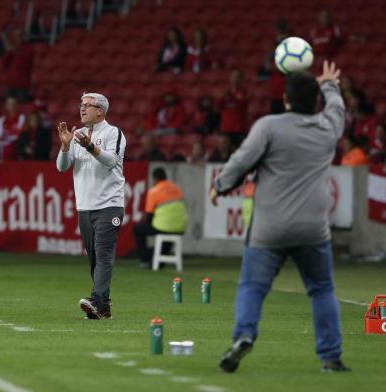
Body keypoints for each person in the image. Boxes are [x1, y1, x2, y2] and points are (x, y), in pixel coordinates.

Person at [209, 61, 350, 373]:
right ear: (315, 102)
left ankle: (243, 336)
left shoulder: (269, 126)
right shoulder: (328, 127)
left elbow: (241, 161)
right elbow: (338, 108)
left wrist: (219, 186)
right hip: (313, 228)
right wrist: (329, 84)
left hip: (269, 228)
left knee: (252, 287)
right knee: (322, 290)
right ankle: (331, 358)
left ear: (285, 99)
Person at [56, 93, 126, 320]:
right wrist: (66, 147)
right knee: (94, 259)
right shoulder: (77, 135)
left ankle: (96, 299)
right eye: (81, 105)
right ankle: (103, 307)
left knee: (104, 256)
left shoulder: (113, 132)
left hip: (109, 204)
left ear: (101, 111)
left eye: (88, 105)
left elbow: (111, 161)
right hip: (85, 206)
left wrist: (90, 148)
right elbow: (62, 168)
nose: (83, 109)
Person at [133, 167, 187, 269]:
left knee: (138, 229)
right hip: (180, 228)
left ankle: (145, 260)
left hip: (163, 227)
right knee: (167, 228)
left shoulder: (154, 191)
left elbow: (149, 216)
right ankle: (159, 260)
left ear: (156, 178)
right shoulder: (177, 189)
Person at [1, 29, 34, 102]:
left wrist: (14, 51)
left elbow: (25, 64)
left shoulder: (28, 49)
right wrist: (8, 52)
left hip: (22, 83)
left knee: (21, 104)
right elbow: (4, 64)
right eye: (16, 36)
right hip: (10, 82)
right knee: (9, 104)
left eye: (20, 36)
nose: (18, 38)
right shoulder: (12, 48)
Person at [219, 70, 249, 147]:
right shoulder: (225, 91)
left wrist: (231, 95)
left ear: (241, 79)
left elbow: (242, 104)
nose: (234, 79)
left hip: (238, 127)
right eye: (233, 76)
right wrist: (222, 96)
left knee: (238, 149)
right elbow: (218, 106)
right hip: (226, 127)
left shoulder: (244, 92)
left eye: (237, 77)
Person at [0, 96, 26, 161]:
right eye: (9, 104)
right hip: (4, 143)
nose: (11, 106)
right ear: (6, 105)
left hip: (16, 143)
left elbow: (19, 133)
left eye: (13, 104)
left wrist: (7, 134)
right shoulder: (3, 118)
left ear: (17, 105)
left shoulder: (21, 117)